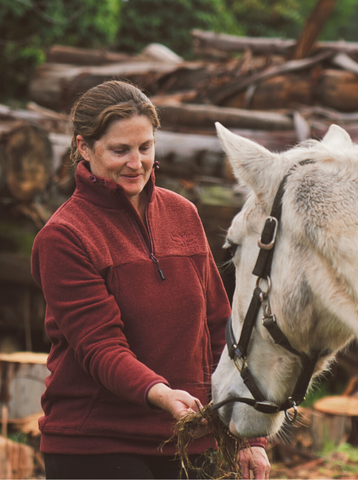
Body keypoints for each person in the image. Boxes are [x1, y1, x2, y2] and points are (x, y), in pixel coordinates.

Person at [31, 80, 270, 479]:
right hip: (97, 443)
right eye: (119, 150)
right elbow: (100, 347)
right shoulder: (65, 236)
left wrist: (250, 436)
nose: (136, 162)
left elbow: (219, 329)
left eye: (145, 147)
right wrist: (161, 394)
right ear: (84, 148)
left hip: (191, 436)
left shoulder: (183, 215)